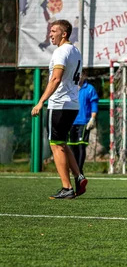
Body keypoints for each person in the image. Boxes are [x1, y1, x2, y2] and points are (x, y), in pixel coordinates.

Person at [31, 19, 88, 199]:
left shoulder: (61, 52)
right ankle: (78, 177)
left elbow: (55, 79)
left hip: (59, 104)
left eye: (54, 31)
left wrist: (41, 101)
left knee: (55, 145)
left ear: (64, 34)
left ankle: (66, 188)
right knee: (61, 142)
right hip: (72, 104)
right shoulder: (75, 51)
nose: (50, 34)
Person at [68, 70, 99, 175]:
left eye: (81, 74)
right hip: (71, 122)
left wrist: (92, 118)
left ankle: (79, 170)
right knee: (73, 146)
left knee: (81, 146)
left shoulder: (90, 89)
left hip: (84, 122)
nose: (79, 76)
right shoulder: (70, 88)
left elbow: (94, 105)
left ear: (85, 76)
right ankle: (74, 168)